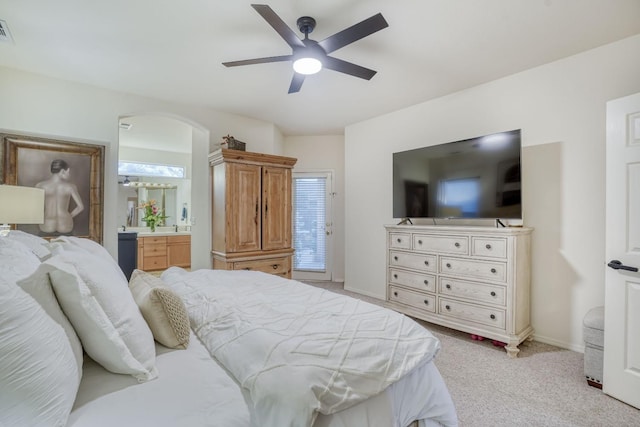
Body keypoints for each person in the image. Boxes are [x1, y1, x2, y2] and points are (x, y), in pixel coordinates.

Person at [36, 159, 84, 234]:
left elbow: (35, 208)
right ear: (62, 171)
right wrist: (69, 217)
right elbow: (80, 207)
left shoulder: (40, 185)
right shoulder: (71, 187)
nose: (69, 174)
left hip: (47, 224)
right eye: (68, 171)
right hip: (65, 224)